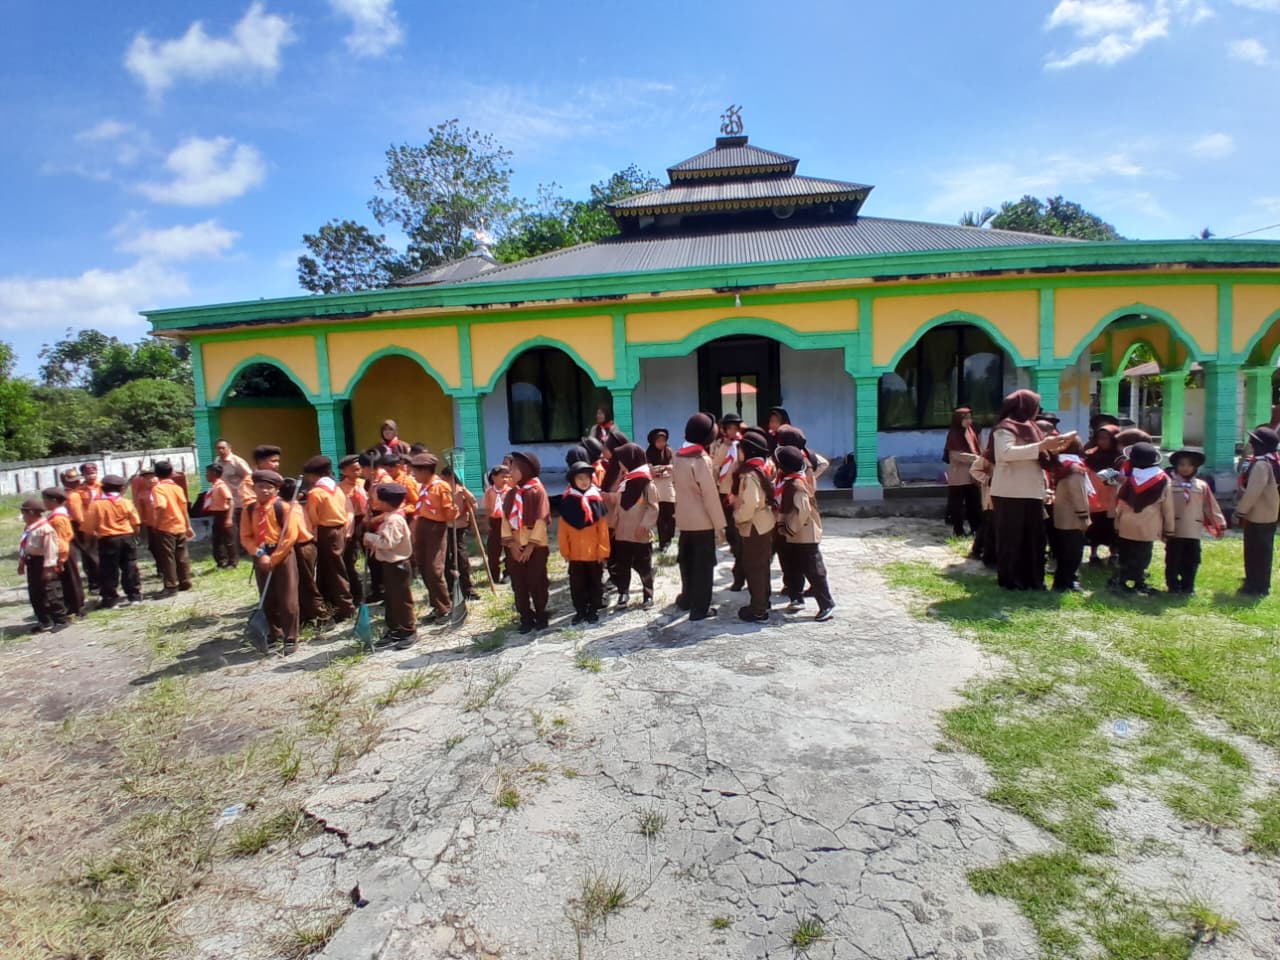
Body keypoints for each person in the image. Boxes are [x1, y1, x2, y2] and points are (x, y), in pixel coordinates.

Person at [987, 390, 1075, 591]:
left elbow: (1040, 453)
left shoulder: (1031, 427)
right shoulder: (1005, 428)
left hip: (1032, 491)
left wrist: (1056, 447)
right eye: (1035, 405)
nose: (1038, 409)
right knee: (1012, 540)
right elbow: (1005, 453)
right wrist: (1042, 445)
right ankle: (1011, 581)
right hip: (1010, 492)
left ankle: (1033, 579)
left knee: (1034, 539)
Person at [241, 470, 304, 652]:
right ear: (254, 488)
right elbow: (246, 536)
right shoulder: (250, 509)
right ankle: (274, 633)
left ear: (276, 490)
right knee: (267, 596)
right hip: (261, 552)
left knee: (287, 597)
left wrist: (275, 557)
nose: (265, 491)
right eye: (261, 487)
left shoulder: (283, 507)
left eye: (270, 488)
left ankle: (291, 636)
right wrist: (260, 554)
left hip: (282, 553)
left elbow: (290, 535)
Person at [673, 413, 726, 621]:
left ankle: (686, 599)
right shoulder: (701, 460)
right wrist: (720, 526)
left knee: (686, 561)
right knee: (704, 566)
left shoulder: (678, 455)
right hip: (702, 521)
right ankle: (700, 609)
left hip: (684, 520)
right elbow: (710, 496)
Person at [775, 445, 835, 621]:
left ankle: (826, 604)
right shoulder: (787, 482)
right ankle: (796, 597)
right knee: (793, 568)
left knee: (814, 570)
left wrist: (788, 528)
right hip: (793, 536)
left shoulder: (797, 485)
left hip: (804, 535)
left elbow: (802, 511)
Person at [1110, 442, 1175, 595]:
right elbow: (1168, 507)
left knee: (1126, 553)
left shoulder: (1129, 479)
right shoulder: (1163, 479)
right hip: (1148, 526)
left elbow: (1120, 503)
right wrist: (1169, 529)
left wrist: (1117, 523)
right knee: (1143, 554)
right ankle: (1139, 582)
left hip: (1127, 524)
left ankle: (1122, 580)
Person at [502, 451, 551, 633]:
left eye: (513, 468)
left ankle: (541, 614)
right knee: (519, 583)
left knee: (537, 581)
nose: (510, 472)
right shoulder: (511, 494)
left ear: (525, 470)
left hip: (535, 546)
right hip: (515, 544)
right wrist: (512, 545)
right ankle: (525, 617)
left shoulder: (537, 491)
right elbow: (505, 520)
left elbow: (541, 519)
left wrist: (531, 546)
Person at [363, 483, 416, 648]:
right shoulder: (389, 517)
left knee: (401, 600)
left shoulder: (393, 521)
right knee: (391, 599)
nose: (373, 499)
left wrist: (370, 538)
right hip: (390, 564)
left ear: (385, 502)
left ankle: (408, 631)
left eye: (376, 497)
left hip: (397, 565)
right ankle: (395, 629)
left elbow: (388, 543)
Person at [1165, 450, 1225, 595]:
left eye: (1190, 465)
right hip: (1175, 529)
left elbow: (1210, 506)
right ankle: (1173, 586)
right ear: (1175, 466)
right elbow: (1163, 506)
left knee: (1192, 560)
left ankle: (1188, 586)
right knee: (1173, 559)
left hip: (1193, 530)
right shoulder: (1169, 485)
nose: (1186, 468)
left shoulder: (1201, 486)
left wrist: (1219, 524)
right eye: (1182, 464)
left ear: (1196, 467)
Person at [303, 456, 356, 621]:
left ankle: (346, 607)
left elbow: (312, 517)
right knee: (331, 567)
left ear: (313, 476)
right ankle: (332, 600)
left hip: (326, 531)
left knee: (334, 569)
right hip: (340, 529)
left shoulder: (316, 493)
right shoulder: (336, 488)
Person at [732, 428, 777, 623]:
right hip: (765, 522)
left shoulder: (749, 475)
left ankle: (758, 609)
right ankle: (764, 600)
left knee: (753, 567)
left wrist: (738, 516)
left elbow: (750, 502)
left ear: (748, 451)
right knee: (762, 565)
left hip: (754, 525)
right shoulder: (764, 467)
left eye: (740, 449)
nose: (738, 453)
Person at [558, 461, 610, 624]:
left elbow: (602, 530)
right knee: (577, 585)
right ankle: (580, 610)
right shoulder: (567, 502)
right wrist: (565, 552)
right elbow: (563, 531)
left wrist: (603, 551)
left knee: (595, 583)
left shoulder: (596, 500)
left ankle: (593, 609)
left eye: (587, 477)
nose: (584, 481)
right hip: (575, 554)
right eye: (579, 478)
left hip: (594, 554)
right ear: (573, 480)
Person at [607, 443, 658, 610]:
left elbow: (653, 507)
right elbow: (619, 504)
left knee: (644, 565)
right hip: (622, 533)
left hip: (640, 533)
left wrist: (645, 525)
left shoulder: (646, 483)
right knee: (622, 564)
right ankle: (623, 592)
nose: (619, 464)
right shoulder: (625, 482)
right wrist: (613, 524)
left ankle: (648, 594)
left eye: (622, 460)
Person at [83, 474, 142, 608]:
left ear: (102, 488)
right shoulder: (126, 502)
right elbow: (136, 522)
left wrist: (88, 543)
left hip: (107, 539)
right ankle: (134, 596)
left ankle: (111, 599)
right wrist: (135, 536)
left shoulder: (96, 505)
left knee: (109, 570)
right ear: (121, 488)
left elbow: (88, 527)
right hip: (127, 537)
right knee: (130, 566)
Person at [409, 452, 456, 622]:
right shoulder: (424, 486)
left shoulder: (440, 486)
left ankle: (446, 607)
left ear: (426, 471)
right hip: (422, 526)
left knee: (434, 569)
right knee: (423, 566)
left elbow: (448, 512)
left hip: (435, 528)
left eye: (416, 471)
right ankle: (436, 605)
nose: (413, 474)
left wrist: (454, 511)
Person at [1235, 427, 1280, 597]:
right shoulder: (1272, 461)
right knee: (1263, 551)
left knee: (1255, 552)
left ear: (1263, 445)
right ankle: (1259, 583)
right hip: (1269, 514)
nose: (1251, 443)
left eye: (1255, 441)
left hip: (1258, 515)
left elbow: (1254, 492)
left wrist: (1240, 511)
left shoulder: (1261, 465)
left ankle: (1256, 586)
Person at [18, 499, 68, 632]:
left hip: (44, 563)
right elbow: (25, 547)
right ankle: (45, 620)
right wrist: (22, 563)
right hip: (32, 561)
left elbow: (50, 550)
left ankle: (60, 619)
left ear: (32, 513)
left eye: (24, 514)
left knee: (51, 591)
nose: (23, 517)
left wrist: (48, 568)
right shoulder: (30, 528)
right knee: (35, 592)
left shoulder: (45, 529)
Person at [1050, 438, 1093, 592]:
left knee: (1064, 552)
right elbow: (1079, 495)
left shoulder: (1061, 466)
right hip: (1072, 518)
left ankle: (1062, 581)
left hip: (1061, 516)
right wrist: (1084, 517)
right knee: (1073, 553)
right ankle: (1066, 582)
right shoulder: (1075, 469)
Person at [711, 413, 745, 591]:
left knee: (739, 532)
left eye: (735, 427)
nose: (733, 431)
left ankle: (740, 573)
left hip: (739, 492)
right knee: (730, 531)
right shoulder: (717, 444)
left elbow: (743, 463)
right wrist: (725, 447)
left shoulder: (742, 443)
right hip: (723, 492)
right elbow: (715, 464)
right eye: (729, 428)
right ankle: (736, 552)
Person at [151, 461, 194, 597]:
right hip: (180, 524)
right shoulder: (177, 488)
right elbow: (184, 509)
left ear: (156, 474)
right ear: (171, 472)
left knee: (167, 556)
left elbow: (161, 506)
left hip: (166, 526)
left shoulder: (158, 488)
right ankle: (185, 580)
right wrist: (188, 526)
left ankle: (171, 585)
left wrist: (157, 522)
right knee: (181, 554)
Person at [42, 487, 84, 617]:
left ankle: (77, 607)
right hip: (63, 551)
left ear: (54, 500)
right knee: (67, 580)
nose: (44, 503)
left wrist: (61, 559)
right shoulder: (56, 515)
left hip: (64, 552)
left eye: (45, 500)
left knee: (71, 579)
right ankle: (72, 605)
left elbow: (62, 540)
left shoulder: (58, 518)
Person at [1083, 423, 1122, 566]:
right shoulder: (1090, 455)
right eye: (1099, 438)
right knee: (1094, 527)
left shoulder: (1119, 458)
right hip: (1095, 499)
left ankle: (1114, 554)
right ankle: (1093, 554)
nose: (1102, 441)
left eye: (1106, 438)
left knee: (1113, 528)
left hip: (1112, 499)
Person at [943, 407, 983, 538]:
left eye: (970, 418)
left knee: (974, 504)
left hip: (972, 475)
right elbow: (955, 455)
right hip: (959, 476)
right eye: (965, 418)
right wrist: (975, 458)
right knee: (957, 506)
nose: (968, 421)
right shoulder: (954, 434)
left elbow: (978, 448)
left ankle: (975, 529)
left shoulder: (971, 432)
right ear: (958, 420)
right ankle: (958, 531)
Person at [441, 465, 479, 601]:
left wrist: (467, 499)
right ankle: (451, 590)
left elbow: (474, 506)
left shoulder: (461, 491)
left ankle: (467, 589)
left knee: (461, 559)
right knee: (446, 560)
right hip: (446, 528)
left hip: (459, 528)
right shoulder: (442, 490)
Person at [338, 454, 368, 605]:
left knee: (372, 556)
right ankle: (356, 593)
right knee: (350, 557)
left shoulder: (364, 483)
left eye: (359, 469)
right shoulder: (340, 488)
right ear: (344, 471)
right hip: (352, 522)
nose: (358, 472)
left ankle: (377, 588)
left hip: (367, 519)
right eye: (354, 470)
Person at [201, 463, 238, 569]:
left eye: (207, 473)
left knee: (229, 540)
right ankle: (221, 561)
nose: (206, 475)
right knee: (217, 540)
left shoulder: (221, 486)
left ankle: (233, 562)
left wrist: (229, 518)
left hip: (224, 514)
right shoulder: (214, 486)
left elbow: (230, 501)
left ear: (214, 474)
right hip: (217, 515)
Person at [70, 465, 101, 591]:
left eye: (94, 472)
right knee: (89, 554)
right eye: (88, 472)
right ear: (83, 474)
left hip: (102, 522)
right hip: (86, 525)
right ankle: (94, 582)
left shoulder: (102, 487)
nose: (92, 474)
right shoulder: (79, 491)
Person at [214, 438, 254, 533]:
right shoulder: (217, 461)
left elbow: (249, 476)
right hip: (224, 502)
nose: (220, 451)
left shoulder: (237, 461)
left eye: (223, 448)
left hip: (237, 503)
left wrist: (243, 490)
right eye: (218, 448)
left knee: (239, 530)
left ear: (229, 448)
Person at [647, 429, 677, 552]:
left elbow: (673, 466)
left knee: (670, 514)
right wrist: (661, 469)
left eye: (663, 441)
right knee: (660, 516)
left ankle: (670, 537)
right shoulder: (648, 453)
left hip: (668, 487)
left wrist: (662, 468)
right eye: (658, 441)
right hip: (656, 487)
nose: (661, 443)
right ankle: (663, 542)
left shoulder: (669, 451)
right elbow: (649, 469)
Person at [482, 464, 511, 585]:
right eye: (502, 477)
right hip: (495, 523)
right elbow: (487, 509)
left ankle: (508, 574)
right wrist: (487, 523)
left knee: (509, 550)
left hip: (507, 522)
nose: (505, 479)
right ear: (493, 478)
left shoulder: (510, 491)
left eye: (507, 477)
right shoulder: (489, 492)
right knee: (493, 551)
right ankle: (494, 575)